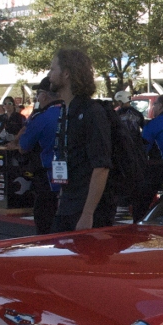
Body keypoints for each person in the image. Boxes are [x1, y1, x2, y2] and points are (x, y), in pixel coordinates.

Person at [47, 49, 112, 232]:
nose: (49, 75)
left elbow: (101, 166)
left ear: (66, 74)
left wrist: (88, 214)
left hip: (85, 209)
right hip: (69, 203)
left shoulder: (92, 112)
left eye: (53, 69)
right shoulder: (65, 111)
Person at [18, 78, 64, 235]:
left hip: (47, 174)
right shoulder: (72, 112)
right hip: (76, 175)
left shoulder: (42, 117)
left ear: (44, 95)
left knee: (45, 219)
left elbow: (23, 146)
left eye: (38, 95)